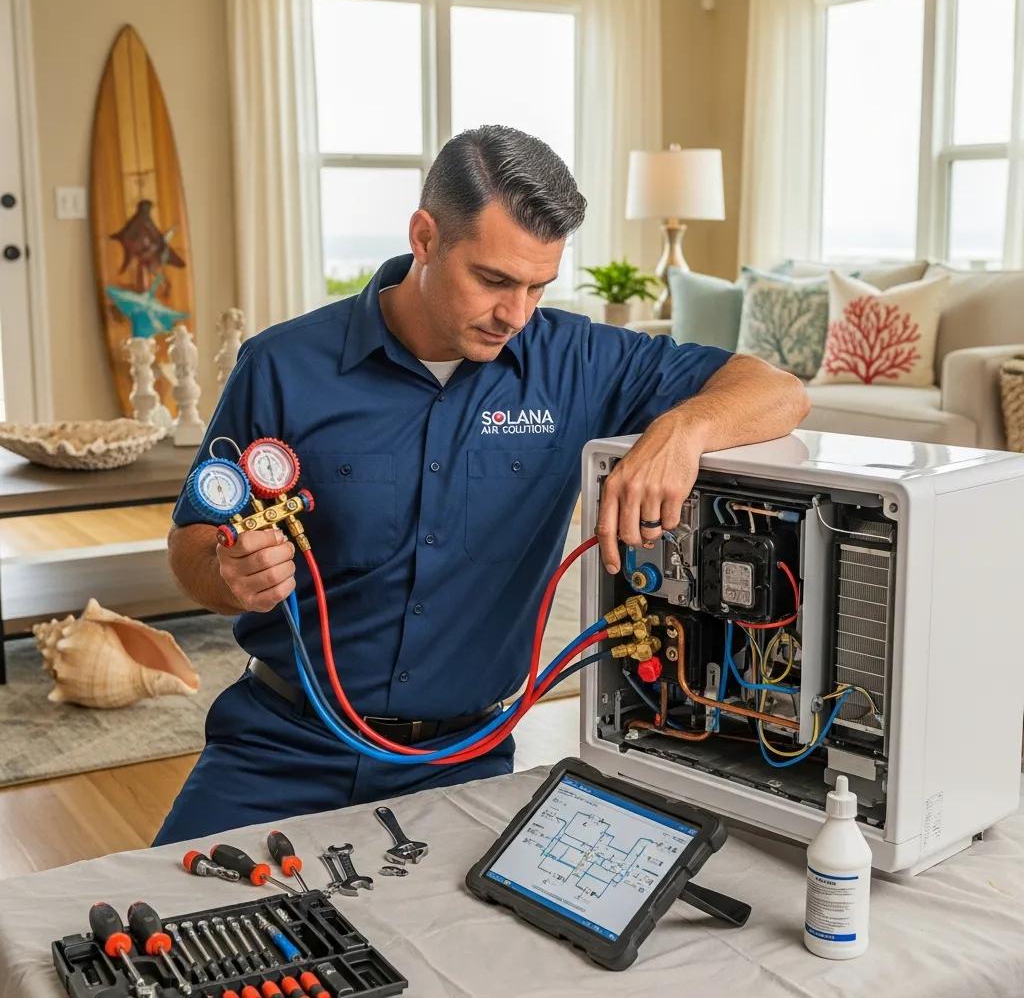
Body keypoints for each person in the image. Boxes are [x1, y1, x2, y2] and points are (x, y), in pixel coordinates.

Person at [153, 125, 808, 845]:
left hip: (462, 761)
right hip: (279, 746)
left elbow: (778, 390)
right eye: (494, 280)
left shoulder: (575, 361)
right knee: (148, 941)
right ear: (425, 237)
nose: (516, 314)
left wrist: (682, 430)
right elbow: (190, 547)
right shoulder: (280, 365)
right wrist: (226, 572)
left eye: (538, 286)